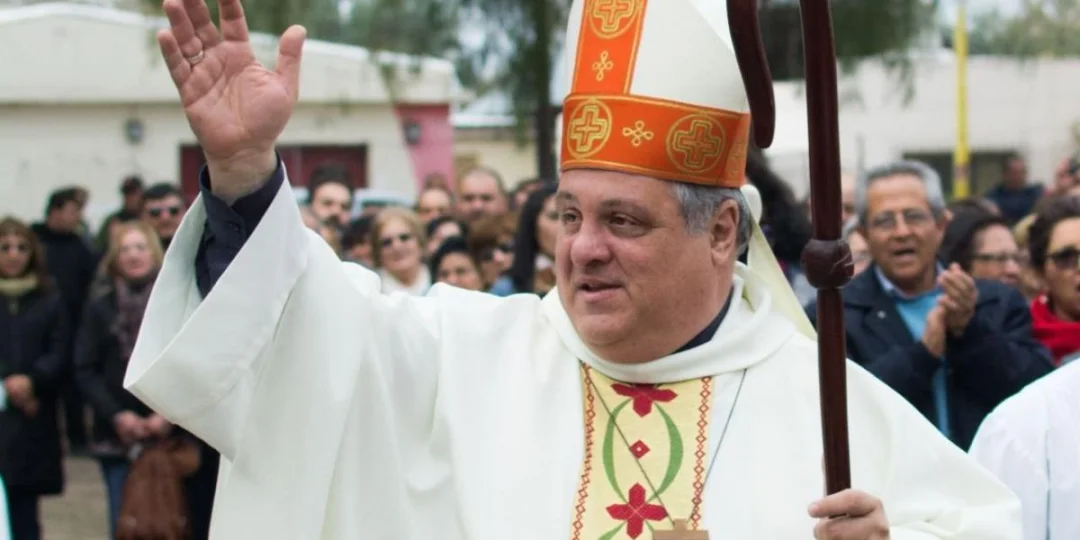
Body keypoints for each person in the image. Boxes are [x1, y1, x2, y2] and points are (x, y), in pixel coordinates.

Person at [125, 0, 1021, 538]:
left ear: (721, 234)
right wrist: (244, 174)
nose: (583, 247)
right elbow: (301, 340)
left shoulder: (824, 402)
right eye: (569, 214)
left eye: (623, 221)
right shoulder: (463, 353)